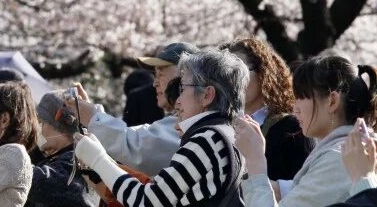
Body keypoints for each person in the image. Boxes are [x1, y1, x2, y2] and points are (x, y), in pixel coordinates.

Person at [75, 49, 249, 207]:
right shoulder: (224, 133)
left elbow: (147, 201)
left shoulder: (207, 139)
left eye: (183, 88)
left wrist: (98, 159)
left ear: (207, 95)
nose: (178, 100)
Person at [235, 55, 377, 207]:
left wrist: (255, 162)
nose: (295, 109)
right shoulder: (345, 152)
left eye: (301, 98)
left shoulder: (338, 159)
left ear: (332, 101)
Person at [66, 42, 199, 176]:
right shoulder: (184, 119)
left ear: (183, 76)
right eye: (155, 75)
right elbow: (135, 137)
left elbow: (137, 146)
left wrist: (93, 117)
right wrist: (94, 116)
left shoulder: (190, 122)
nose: (154, 83)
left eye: (160, 75)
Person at [224, 37, 312, 181]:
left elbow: (302, 188)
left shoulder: (293, 128)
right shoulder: (222, 124)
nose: (231, 81)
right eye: (226, 74)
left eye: (239, 72)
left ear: (262, 73)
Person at [25, 90, 95, 207]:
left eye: (41, 122)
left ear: (61, 126)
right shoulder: (60, 158)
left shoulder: (76, 161)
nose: (37, 129)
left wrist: (9, 149)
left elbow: (33, 181)